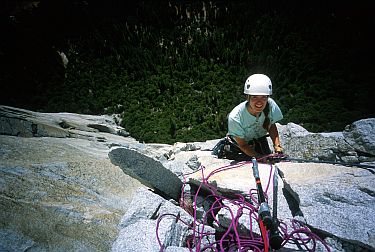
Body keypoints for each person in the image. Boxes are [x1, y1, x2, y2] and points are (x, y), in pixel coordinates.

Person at [213, 74, 284, 161]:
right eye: (254, 97)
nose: (259, 102)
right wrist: (259, 157)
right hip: (239, 145)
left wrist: (277, 146)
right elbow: (242, 145)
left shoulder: (270, 105)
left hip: (258, 140)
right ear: (247, 97)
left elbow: (271, 125)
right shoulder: (235, 117)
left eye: (263, 97)